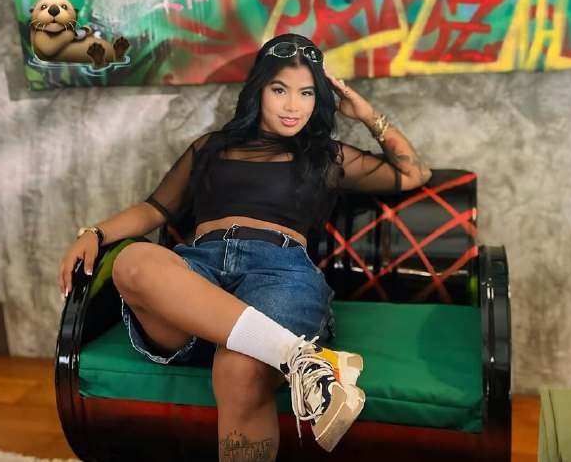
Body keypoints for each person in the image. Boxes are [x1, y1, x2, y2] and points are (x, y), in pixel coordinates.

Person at [58, 33, 431, 460]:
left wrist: (365, 114)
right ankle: (299, 358)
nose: (293, 106)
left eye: (307, 93)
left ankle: (277, 350)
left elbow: (413, 173)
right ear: (258, 90)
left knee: (239, 368)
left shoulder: (326, 156)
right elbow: (155, 208)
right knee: (133, 263)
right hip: (198, 279)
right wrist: (95, 233)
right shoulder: (211, 148)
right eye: (280, 90)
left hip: (279, 274)